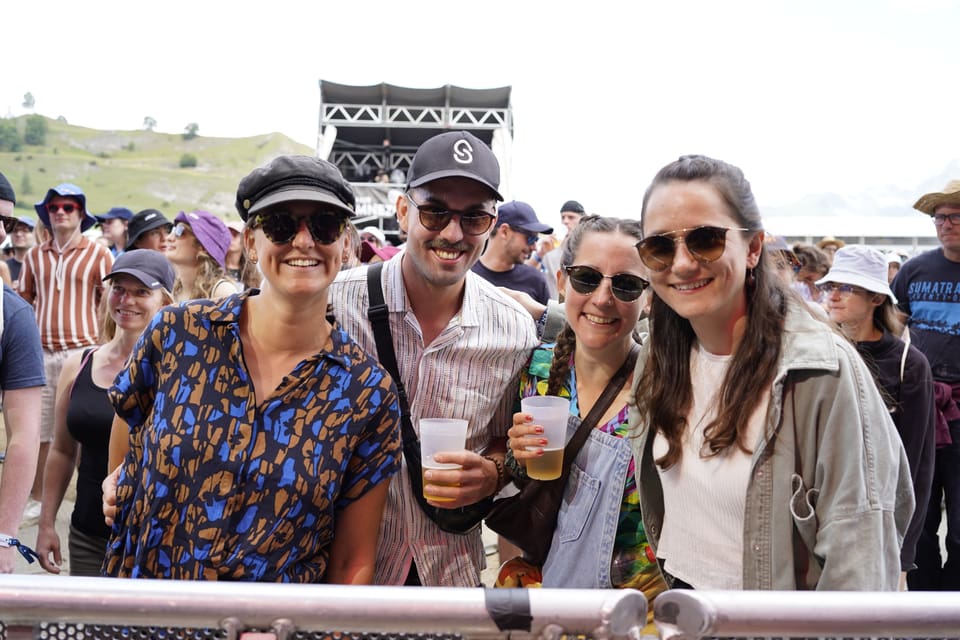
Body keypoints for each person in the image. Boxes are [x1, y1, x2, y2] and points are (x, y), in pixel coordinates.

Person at [103, 155, 402, 582]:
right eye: (281, 224)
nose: (303, 241)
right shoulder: (177, 333)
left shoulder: (365, 391)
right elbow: (125, 451)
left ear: (346, 243)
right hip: (147, 618)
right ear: (250, 241)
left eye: (325, 225)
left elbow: (353, 562)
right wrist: (122, 490)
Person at [630, 154, 912, 590]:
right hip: (683, 609)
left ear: (754, 248)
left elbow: (860, 559)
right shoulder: (657, 356)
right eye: (660, 247)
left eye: (706, 240)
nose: (682, 264)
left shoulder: (821, 374)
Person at [328, 131, 538, 586]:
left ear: (492, 221)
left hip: (448, 575)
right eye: (435, 211)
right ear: (404, 212)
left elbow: (503, 439)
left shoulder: (512, 328)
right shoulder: (337, 305)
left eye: (474, 218)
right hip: (341, 573)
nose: (452, 233)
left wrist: (492, 473)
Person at [505, 215, 667, 604]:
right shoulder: (536, 369)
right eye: (586, 278)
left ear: (648, 299)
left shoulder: (667, 387)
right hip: (549, 598)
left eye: (626, 285)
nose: (602, 298)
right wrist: (513, 456)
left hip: (640, 613)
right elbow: (516, 485)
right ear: (561, 283)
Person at [36, 250, 175, 577]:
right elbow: (61, 450)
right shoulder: (79, 364)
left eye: (141, 292)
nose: (127, 300)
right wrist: (45, 525)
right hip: (87, 535)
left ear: (165, 303)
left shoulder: (177, 372)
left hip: (153, 540)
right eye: (120, 289)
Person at [818, 245, 935, 583]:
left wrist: (905, 549)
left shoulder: (909, 365)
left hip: (880, 516)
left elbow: (917, 463)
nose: (834, 296)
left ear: (876, 298)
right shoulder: (819, 352)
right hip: (823, 511)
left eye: (847, 287)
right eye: (830, 286)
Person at [19, 183, 113, 524]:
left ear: (80, 215)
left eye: (68, 207)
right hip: (40, 353)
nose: (60, 212)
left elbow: (109, 303)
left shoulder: (99, 254)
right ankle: (36, 499)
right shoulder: (33, 256)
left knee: (79, 429)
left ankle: (82, 500)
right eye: (54, 207)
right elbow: (23, 302)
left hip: (83, 353)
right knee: (39, 431)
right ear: (47, 214)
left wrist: (105, 348)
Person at [893, 179, 960, 591]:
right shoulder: (914, 271)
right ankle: (925, 610)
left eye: (955, 216)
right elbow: (892, 329)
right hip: (921, 407)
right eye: (940, 217)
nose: (946, 224)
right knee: (919, 517)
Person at [0, 177, 45, 572]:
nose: (2, 232)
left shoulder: (12, 315)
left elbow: (25, 435)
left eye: (7, 223)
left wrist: (4, 536)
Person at [472, 200, 553, 305]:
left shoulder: (535, 280)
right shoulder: (466, 276)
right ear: (505, 231)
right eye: (531, 239)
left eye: (536, 240)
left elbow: (549, 319)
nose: (534, 248)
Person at [166, 210, 238, 301]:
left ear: (203, 247)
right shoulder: (173, 291)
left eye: (180, 232)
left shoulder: (222, 292)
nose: (169, 238)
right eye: (173, 230)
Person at [540, 200, 585, 300]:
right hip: (557, 305)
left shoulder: (589, 245)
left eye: (571, 217)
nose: (565, 221)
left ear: (582, 219)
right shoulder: (553, 251)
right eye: (563, 217)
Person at [5, 216, 36, 291]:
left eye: (25, 230)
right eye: (15, 230)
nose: (18, 234)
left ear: (35, 235)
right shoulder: (3, 267)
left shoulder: (42, 266)